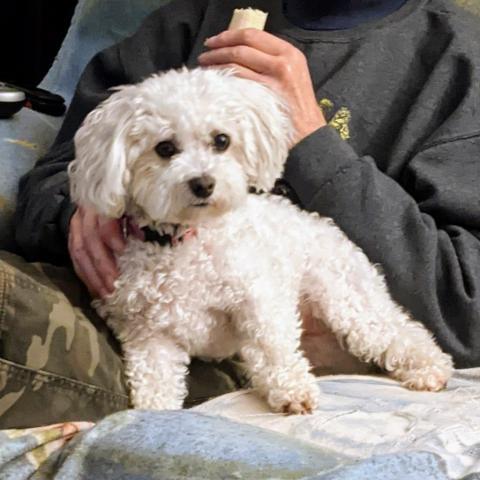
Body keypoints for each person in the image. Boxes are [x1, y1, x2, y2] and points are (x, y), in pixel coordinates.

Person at [3, 0, 480, 428]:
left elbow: (467, 308)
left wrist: (311, 143)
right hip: (126, 300)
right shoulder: (188, 21)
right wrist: (78, 210)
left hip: (283, 356)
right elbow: (51, 181)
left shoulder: (458, 57)